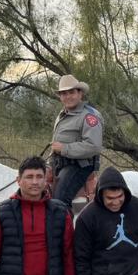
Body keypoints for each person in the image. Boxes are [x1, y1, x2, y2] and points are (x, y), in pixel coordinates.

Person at [49, 74, 103, 207]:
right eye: (64, 93)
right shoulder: (62, 115)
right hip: (59, 164)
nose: (68, 96)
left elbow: (94, 146)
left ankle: (63, 226)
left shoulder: (90, 116)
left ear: (80, 93)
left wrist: (64, 149)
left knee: (58, 202)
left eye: (72, 92)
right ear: (60, 97)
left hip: (79, 166)